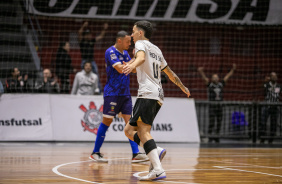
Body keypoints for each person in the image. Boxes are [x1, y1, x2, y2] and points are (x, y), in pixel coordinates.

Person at [123, 21, 190, 181]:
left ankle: (158, 170)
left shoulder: (140, 44)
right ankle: (156, 150)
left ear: (140, 33)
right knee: (128, 131)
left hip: (147, 93)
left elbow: (140, 58)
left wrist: (131, 65)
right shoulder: (157, 49)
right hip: (158, 95)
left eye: (133, 32)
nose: (131, 35)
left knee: (143, 132)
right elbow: (169, 72)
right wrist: (182, 86)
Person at [89, 31, 149, 163]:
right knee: (107, 122)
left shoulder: (126, 53)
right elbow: (121, 69)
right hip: (113, 93)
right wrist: (135, 59)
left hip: (125, 93)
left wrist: (135, 61)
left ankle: (135, 154)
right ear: (120, 41)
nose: (130, 43)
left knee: (130, 124)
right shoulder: (110, 52)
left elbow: (131, 69)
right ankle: (95, 152)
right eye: (128, 41)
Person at [198, 64, 236, 143]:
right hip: (212, 106)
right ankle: (210, 136)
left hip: (219, 106)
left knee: (219, 122)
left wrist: (232, 70)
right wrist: (201, 72)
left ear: (218, 78)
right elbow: (205, 79)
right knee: (211, 122)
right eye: (214, 77)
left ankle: (217, 137)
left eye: (216, 77)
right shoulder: (210, 85)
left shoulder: (221, 84)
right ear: (212, 79)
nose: (215, 78)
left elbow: (227, 77)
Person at [78, 22, 108, 93]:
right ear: (84, 35)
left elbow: (101, 36)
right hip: (84, 61)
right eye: (87, 34)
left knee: (96, 74)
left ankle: (99, 90)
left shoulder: (92, 41)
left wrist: (104, 29)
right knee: (83, 75)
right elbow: (79, 33)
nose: (89, 36)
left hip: (92, 61)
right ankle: (82, 90)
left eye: (90, 34)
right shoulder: (82, 42)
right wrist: (83, 26)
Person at [260, 72, 281, 144]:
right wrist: (265, 82)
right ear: (270, 77)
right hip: (267, 106)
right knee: (263, 122)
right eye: (273, 76)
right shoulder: (267, 85)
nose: (274, 77)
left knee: (274, 124)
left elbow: (277, 94)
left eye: (275, 76)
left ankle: (271, 139)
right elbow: (263, 91)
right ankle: (262, 138)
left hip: (275, 107)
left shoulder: (279, 86)